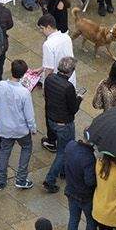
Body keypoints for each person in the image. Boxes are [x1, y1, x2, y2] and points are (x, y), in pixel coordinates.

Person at [0, 57, 37, 191]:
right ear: (23, 74)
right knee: (26, 148)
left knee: (4, 151)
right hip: (21, 129)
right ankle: (21, 179)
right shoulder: (24, 92)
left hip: (4, 127)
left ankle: (0, 181)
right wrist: (33, 128)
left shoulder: (0, 85)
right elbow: (29, 115)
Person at [40, 56, 81, 192]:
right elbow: (73, 109)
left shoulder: (50, 78)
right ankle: (50, 180)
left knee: (63, 149)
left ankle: (64, 171)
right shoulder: (68, 87)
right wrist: (79, 99)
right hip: (64, 124)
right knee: (63, 151)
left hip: (51, 119)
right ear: (71, 71)